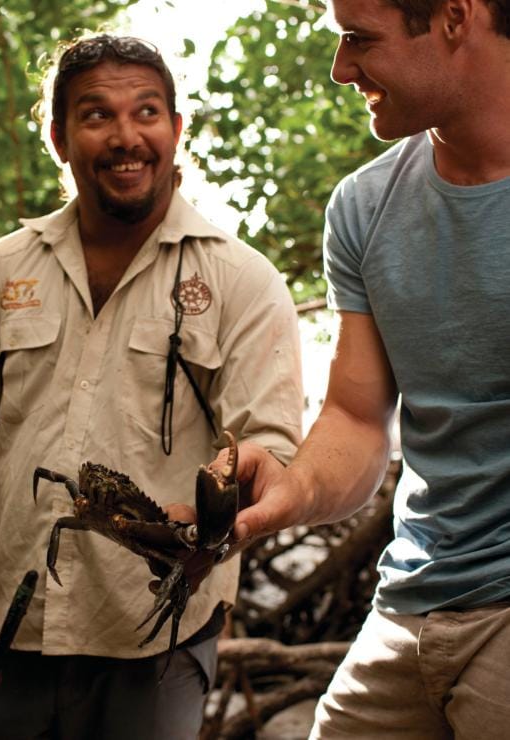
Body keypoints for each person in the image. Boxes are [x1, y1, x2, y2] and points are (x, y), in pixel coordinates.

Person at [0, 33, 303, 739]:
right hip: (7, 632)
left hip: (159, 640)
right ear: (59, 137)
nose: (127, 136)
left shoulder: (241, 280)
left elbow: (271, 445)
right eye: (97, 116)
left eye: (147, 112)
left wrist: (226, 505)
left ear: (177, 129)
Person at [225, 1, 510, 737]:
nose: (340, 69)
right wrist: (288, 491)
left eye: (359, 40)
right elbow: (356, 416)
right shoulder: (364, 207)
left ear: (454, 17)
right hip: (411, 604)